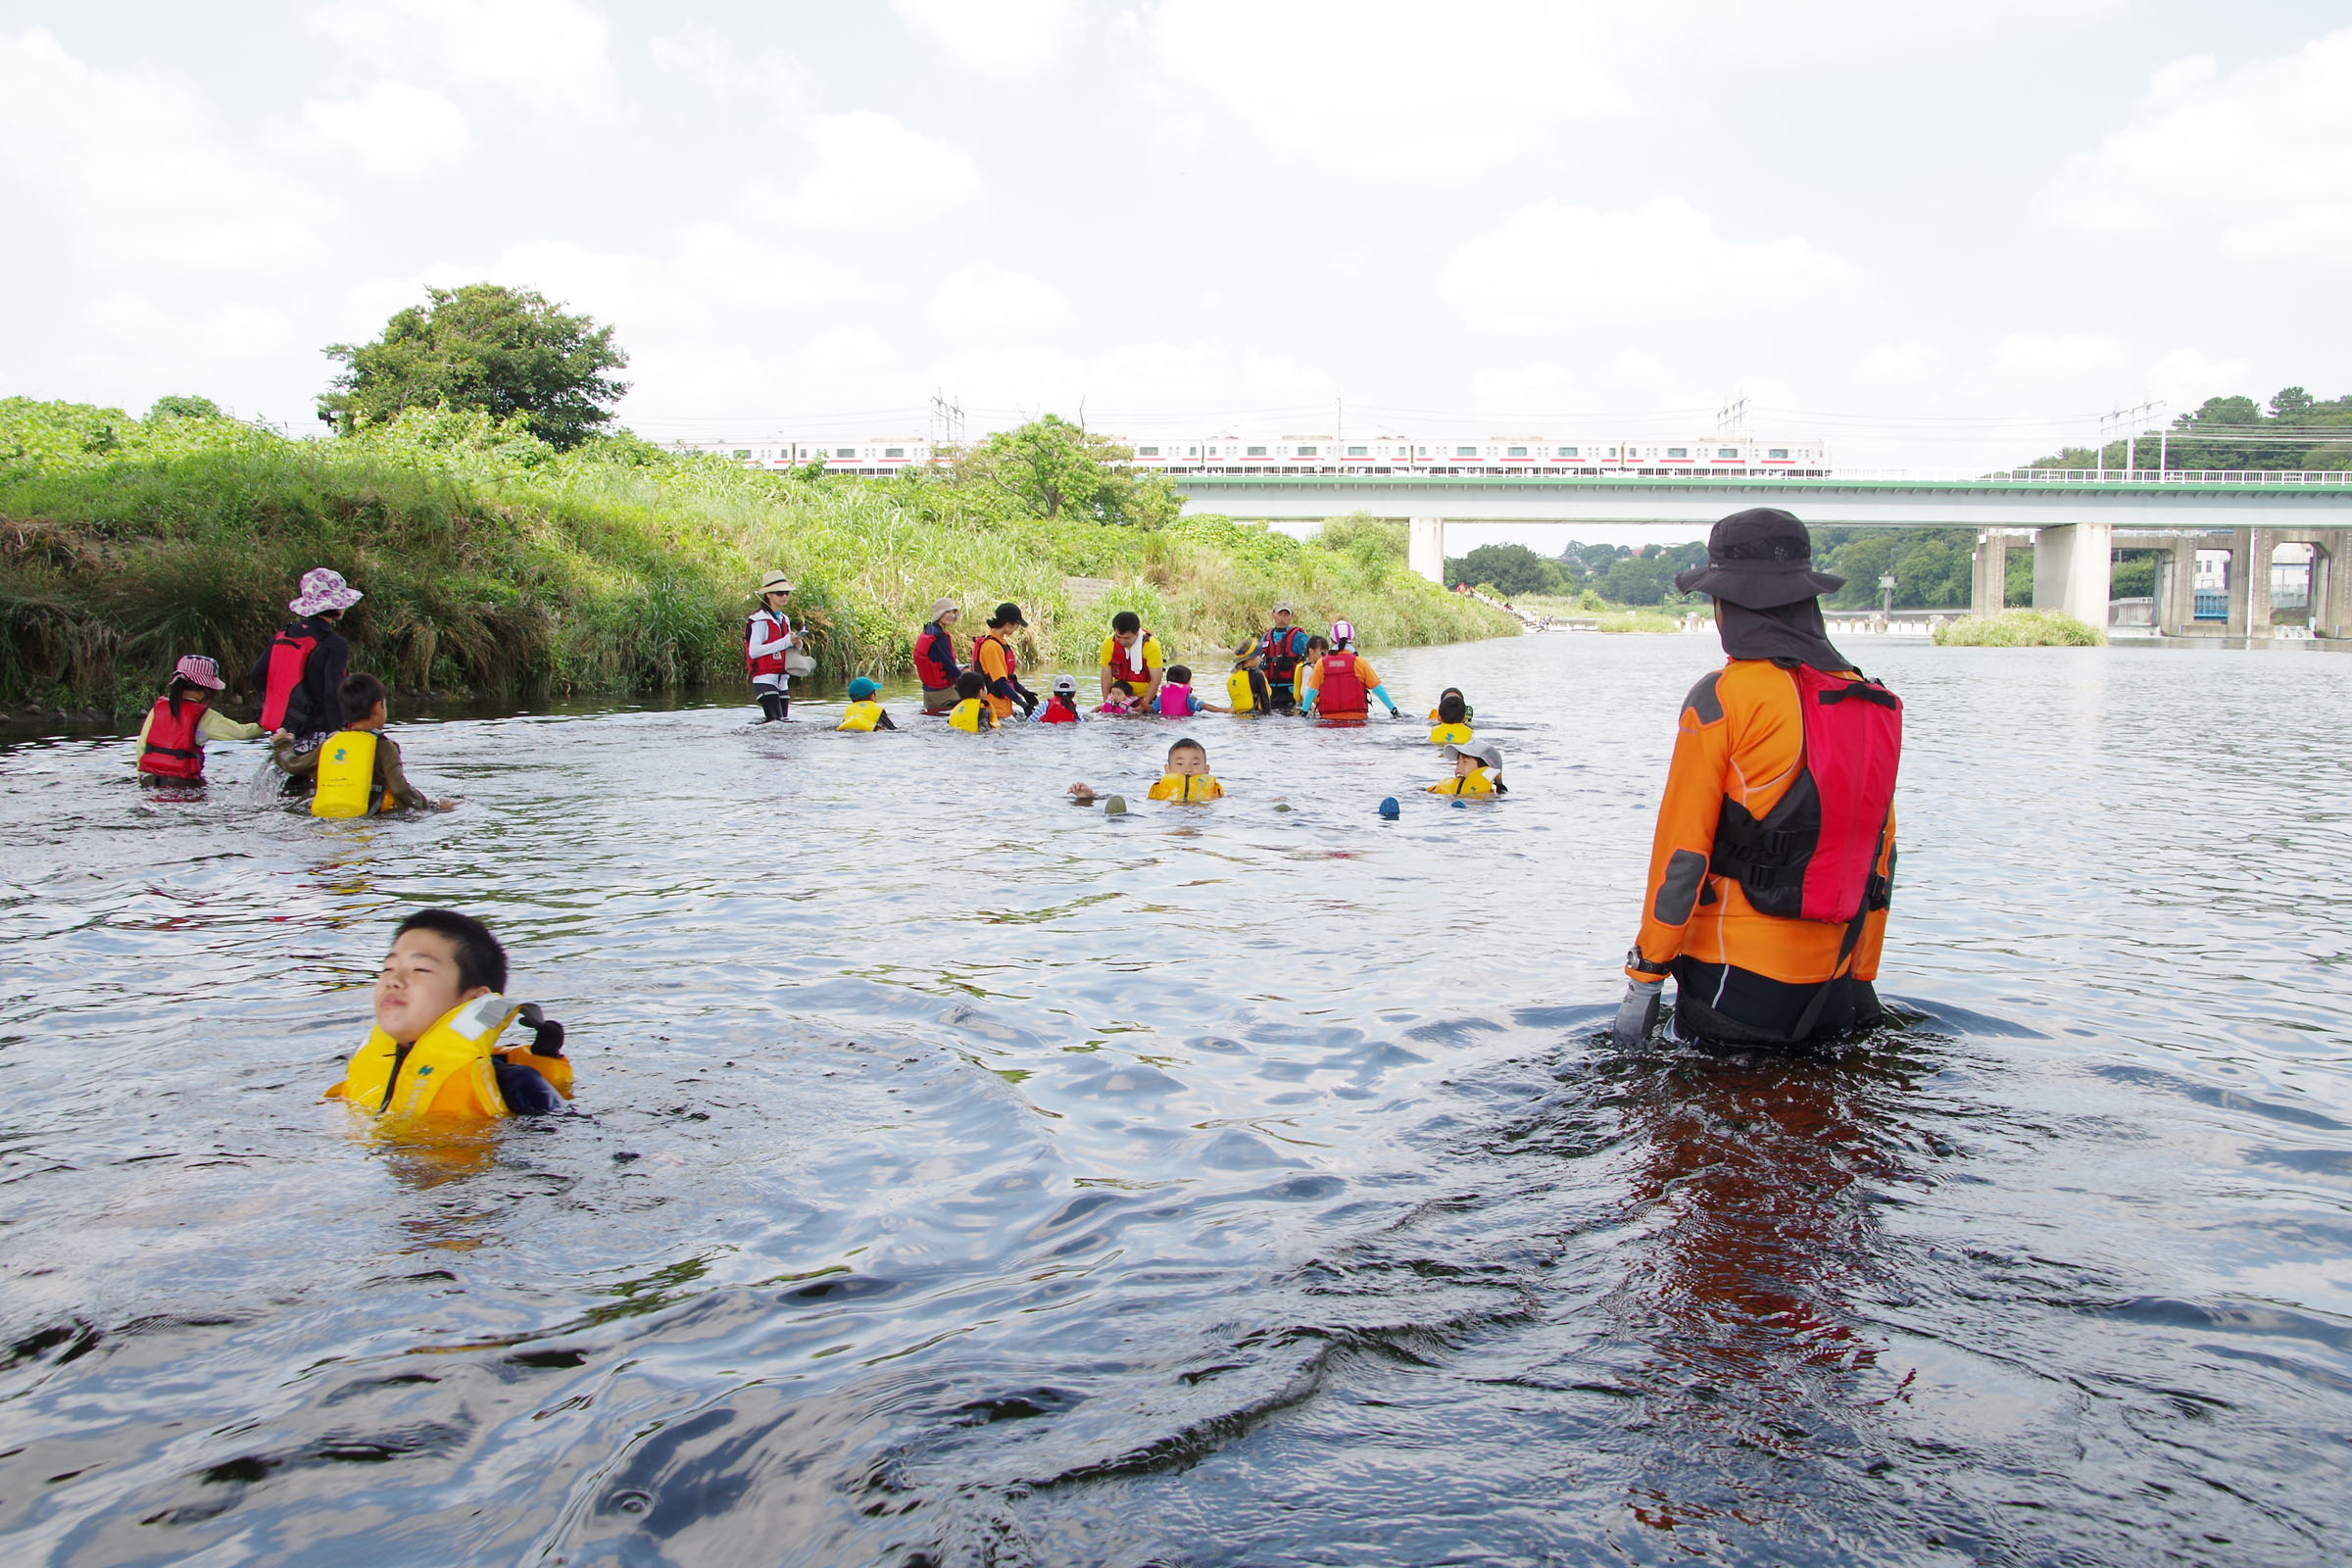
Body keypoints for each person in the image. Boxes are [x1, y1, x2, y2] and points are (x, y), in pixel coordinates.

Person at [1614, 508, 1901, 1051]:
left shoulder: (1723, 696)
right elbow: (1880, 856)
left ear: (1731, 604)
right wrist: (1862, 978)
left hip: (1734, 981)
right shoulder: (1870, 699)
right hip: (1834, 985)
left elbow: (1682, 853)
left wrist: (1646, 979)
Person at [325, 908, 568, 1121]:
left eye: (420, 969)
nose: (393, 981)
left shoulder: (515, 1086)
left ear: (477, 999)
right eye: (388, 968)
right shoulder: (359, 1073)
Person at [274, 672, 454, 816]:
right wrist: (432, 806)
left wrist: (283, 743)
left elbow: (291, 764)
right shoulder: (384, 747)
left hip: (328, 818)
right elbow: (399, 788)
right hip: (372, 819)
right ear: (378, 708)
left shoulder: (330, 744)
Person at [247, 567, 360, 749]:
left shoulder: (285, 634)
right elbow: (333, 692)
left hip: (287, 729)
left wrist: (281, 707)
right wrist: (337, 731)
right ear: (337, 604)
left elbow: (257, 674)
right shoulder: (335, 643)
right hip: (318, 730)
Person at [134, 656, 264, 784]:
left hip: (149, 782)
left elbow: (141, 746)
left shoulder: (157, 710)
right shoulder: (206, 717)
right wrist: (267, 724)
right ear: (205, 690)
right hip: (182, 785)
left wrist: (141, 773)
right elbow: (244, 733)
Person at [1070, 736, 1223, 805]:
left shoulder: (1215, 791)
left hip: (1201, 820)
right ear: (1167, 769)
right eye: (1180, 764)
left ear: (1206, 769)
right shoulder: (1159, 790)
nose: (1188, 769)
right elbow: (1141, 803)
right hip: (1168, 817)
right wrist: (1090, 797)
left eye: (1195, 764)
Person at [1298, 620, 1402, 719]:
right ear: (1352, 640)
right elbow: (1378, 689)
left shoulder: (1321, 664)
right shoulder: (1360, 663)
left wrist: (1303, 712)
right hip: (1358, 720)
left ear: (1331, 640)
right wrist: (1394, 710)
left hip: (1328, 720)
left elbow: (1311, 691)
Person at [745, 571, 798, 722]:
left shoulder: (784, 619)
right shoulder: (759, 620)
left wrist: (796, 644)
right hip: (765, 678)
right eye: (779, 593)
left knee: (782, 724)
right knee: (775, 723)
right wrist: (786, 642)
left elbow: (784, 648)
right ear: (768, 595)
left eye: (786, 593)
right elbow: (753, 651)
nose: (784, 596)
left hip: (782, 679)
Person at [974, 602, 1038, 722]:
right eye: (1017, 625)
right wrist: (1022, 704)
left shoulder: (999, 643)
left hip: (1001, 710)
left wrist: (1025, 693)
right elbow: (1001, 682)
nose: (1017, 629)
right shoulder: (992, 647)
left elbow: (1009, 678)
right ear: (1008, 624)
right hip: (993, 710)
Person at [1099, 612, 1163, 705]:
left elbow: (1156, 679)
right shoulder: (1109, 644)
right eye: (1118, 637)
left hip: (1143, 700)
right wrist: (1106, 703)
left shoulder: (1151, 645)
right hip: (1118, 700)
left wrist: (1144, 704)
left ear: (1136, 633)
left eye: (1127, 638)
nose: (1122, 641)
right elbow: (1106, 677)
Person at [1259, 602, 1310, 711]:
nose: (1283, 618)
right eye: (1280, 614)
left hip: (1290, 691)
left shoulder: (1299, 637)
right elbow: (1257, 662)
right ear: (1273, 615)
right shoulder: (1265, 637)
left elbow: (1312, 659)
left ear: (1292, 617)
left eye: (1286, 615)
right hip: (1270, 691)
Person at [914, 599, 963, 713]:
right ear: (939, 614)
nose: (951, 615)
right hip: (943, 693)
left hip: (929, 694)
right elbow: (948, 664)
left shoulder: (928, 631)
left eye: (953, 612)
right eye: (947, 612)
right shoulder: (940, 637)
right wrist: (965, 681)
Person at [1428, 739, 1506, 797]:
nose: (1459, 767)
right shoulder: (1446, 787)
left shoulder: (1491, 797)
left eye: (1465, 762)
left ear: (1485, 768)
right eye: (1458, 762)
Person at [1153, 663, 1228, 717]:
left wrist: (1143, 703)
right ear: (1187, 681)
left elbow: (1152, 709)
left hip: (1166, 723)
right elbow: (1205, 706)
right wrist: (1225, 711)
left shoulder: (1162, 696)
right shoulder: (1188, 697)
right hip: (1185, 723)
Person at [1227, 642, 1271, 714]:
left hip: (1239, 719)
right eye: (1258, 655)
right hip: (1257, 719)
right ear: (1250, 659)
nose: (1260, 658)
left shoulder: (1234, 676)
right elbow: (1266, 703)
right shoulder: (1258, 675)